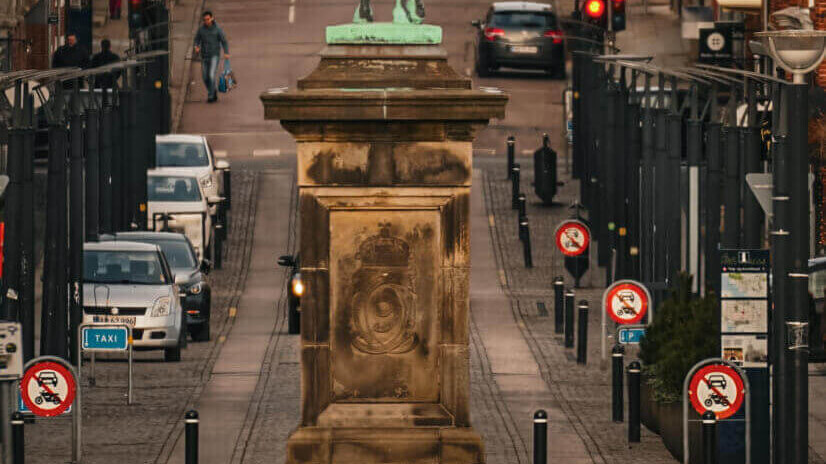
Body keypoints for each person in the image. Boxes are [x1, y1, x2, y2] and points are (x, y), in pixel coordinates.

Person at [193, 11, 229, 103]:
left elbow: (224, 41)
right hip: (204, 56)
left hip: (214, 55)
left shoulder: (217, 29)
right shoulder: (201, 30)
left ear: (212, 18)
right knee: (205, 77)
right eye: (204, 20)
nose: (206, 21)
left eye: (208, 19)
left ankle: (211, 95)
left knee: (211, 75)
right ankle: (213, 90)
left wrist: (226, 52)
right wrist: (196, 46)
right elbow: (196, 39)